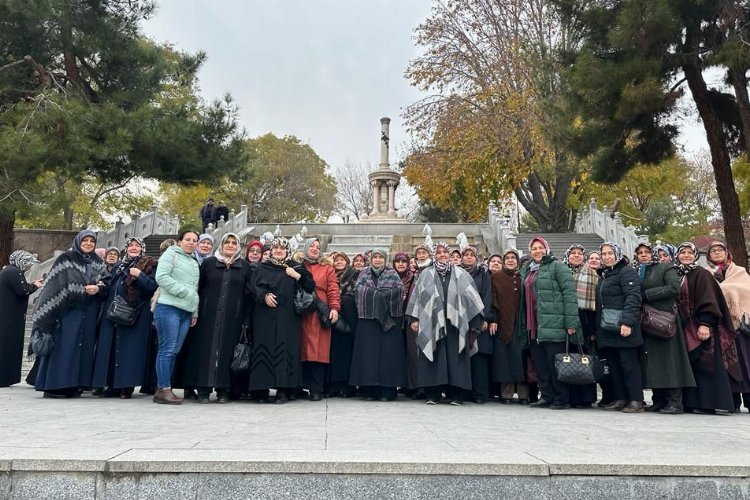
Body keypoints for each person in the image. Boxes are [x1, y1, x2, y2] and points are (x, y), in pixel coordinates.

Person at [406, 241, 485, 405]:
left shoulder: (461, 274)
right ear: (435, 255)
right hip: (431, 322)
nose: (442, 254)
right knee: (433, 356)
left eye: (445, 252)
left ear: (449, 254)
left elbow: (472, 298)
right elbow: (417, 298)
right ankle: (432, 393)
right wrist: (414, 319)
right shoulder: (425, 274)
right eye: (439, 252)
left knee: (456, 358)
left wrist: (476, 322)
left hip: (456, 325)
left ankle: (456, 394)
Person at [32, 229, 108, 398]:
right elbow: (54, 284)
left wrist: (98, 288)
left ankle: (75, 385)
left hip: (88, 312)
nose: (88, 244)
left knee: (83, 349)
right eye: (85, 240)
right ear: (78, 241)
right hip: (67, 312)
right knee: (64, 347)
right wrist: (79, 291)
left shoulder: (98, 262)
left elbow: (106, 283)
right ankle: (55, 386)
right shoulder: (65, 259)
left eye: (92, 241)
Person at [184, 233, 253, 403]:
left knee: (226, 352)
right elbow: (197, 289)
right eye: (227, 242)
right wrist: (195, 311)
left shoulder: (244, 266)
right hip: (208, 315)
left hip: (232, 317)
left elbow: (248, 295)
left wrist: (245, 320)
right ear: (222, 245)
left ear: (238, 246)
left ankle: (223, 389)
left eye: (233, 243)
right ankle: (203, 389)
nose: (230, 245)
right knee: (205, 351)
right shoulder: (209, 263)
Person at [675, 242, 740, 414]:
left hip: (701, 326)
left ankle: (708, 403)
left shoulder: (702, 274)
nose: (686, 255)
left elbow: (709, 300)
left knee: (707, 364)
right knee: (692, 366)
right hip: (684, 328)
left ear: (695, 255)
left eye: (690, 252)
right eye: (683, 252)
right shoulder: (676, 274)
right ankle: (691, 402)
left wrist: (705, 324)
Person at [517, 237, 580, 410]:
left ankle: (561, 397)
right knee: (540, 364)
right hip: (534, 324)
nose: (538, 251)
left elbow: (569, 295)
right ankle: (547, 395)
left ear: (547, 249)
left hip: (554, 322)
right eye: (534, 248)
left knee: (555, 364)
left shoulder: (558, 267)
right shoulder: (528, 270)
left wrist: (571, 322)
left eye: (540, 248)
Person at [249, 237, 314, 404]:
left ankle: (283, 390)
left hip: (288, 317)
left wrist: (296, 275)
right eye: (275, 247)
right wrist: (263, 295)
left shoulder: (294, 266)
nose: (279, 251)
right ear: (270, 250)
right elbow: (252, 287)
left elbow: (310, 286)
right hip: (264, 315)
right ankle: (261, 390)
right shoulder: (261, 267)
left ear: (287, 251)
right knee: (263, 348)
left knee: (285, 349)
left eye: (282, 248)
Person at [92, 237, 157, 398]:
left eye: (137, 246)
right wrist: (99, 288)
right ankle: (111, 384)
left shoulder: (149, 265)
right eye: (131, 245)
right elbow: (110, 285)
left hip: (136, 314)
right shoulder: (119, 266)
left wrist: (140, 275)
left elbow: (152, 287)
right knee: (111, 348)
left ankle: (126, 386)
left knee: (130, 351)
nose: (134, 248)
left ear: (142, 248)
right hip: (113, 312)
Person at [634, 243, 694, 414]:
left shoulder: (666, 268)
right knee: (653, 362)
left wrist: (647, 295)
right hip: (647, 321)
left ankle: (675, 401)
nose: (644, 255)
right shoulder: (639, 271)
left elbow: (674, 288)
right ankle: (658, 399)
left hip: (665, 320)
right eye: (640, 253)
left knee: (671, 361)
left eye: (647, 252)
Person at [350, 249, 406, 401]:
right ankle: (369, 389)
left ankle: (387, 390)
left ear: (385, 259)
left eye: (381, 257)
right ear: (371, 259)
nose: (378, 260)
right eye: (375, 257)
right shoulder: (364, 274)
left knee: (388, 356)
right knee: (368, 356)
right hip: (368, 321)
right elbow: (358, 291)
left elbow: (399, 291)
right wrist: (381, 295)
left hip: (389, 322)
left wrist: (374, 295)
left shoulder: (392, 273)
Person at [595, 242, 644, 413]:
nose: (607, 257)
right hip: (608, 328)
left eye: (610, 253)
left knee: (628, 363)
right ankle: (621, 397)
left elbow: (633, 297)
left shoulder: (626, 271)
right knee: (614, 364)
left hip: (623, 326)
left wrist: (627, 322)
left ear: (617, 254)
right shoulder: (605, 275)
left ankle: (636, 399)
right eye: (604, 254)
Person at [152, 230, 200, 405]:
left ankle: (162, 389)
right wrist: (183, 292)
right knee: (167, 348)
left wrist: (194, 310)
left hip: (186, 311)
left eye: (194, 240)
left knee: (174, 350)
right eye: (187, 239)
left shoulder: (194, 261)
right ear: (180, 241)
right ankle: (164, 389)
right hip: (168, 307)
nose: (191, 243)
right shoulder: (170, 254)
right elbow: (161, 277)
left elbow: (195, 288)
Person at [705, 240, 750, 413]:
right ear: (708, 255)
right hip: (720, 325)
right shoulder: (707, 273)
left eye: (719, 249)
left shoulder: (739, 271)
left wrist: (724, 289)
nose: (716, 253)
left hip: (740, 326)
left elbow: (746, 290)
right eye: (713, 251)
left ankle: (748, 397)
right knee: (725, 362)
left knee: (745, 362)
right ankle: (732, 400)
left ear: (726, 252)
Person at [300, 238, 341, 401]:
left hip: (320, 311)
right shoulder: (297, 266)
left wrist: (335, 308)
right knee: (300, 349)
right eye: (312, 246)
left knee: (318, 351)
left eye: (318, 247)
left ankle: (316, 388)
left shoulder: (327, 269)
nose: (315, 249)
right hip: (301, 310)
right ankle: (299, 386)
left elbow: (333, 289)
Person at [490, 250, 529, 404]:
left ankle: (523, 394)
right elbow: (492, 299)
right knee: (504, 359)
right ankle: (505, 393)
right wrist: (493, 319)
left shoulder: (523, 277)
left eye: (513, 258)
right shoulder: (496, 277)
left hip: (521, 324)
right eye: (508, 258)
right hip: (503, 322)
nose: (511, 260)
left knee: (521, 359)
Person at [562, 244, 598, 408]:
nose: (576, 256)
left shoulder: (591, 273)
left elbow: (594, 303)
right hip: (565, 318)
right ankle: (569, 396)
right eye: (573, 253)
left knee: (583, 357)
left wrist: (592, 329)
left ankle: (585, 398)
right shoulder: (562, 271)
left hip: (585, 319)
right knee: (568, 357)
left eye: (579, 254)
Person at [0, 251, 41, 387]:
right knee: (8, 347)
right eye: (27, 262)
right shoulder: (14, 272)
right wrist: (35, 285)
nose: (29, 266)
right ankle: (5, 378)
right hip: (10, 318)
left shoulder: (9, 271)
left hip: (8, 316)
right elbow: (22, 290)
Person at [462, 246, 495, 404]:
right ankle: (466, 391)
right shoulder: (458, 273)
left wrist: (486, 318)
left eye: (471, 255)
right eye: (466, 255)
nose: (468, 258)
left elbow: (488, 295)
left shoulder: (483, 273)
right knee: (464, 357)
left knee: (479, 357)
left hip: (479, 318)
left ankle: (480, 393)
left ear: (476, 258)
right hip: (461, 319)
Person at [326, 252, 358, 398]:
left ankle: (347, 385)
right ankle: (333, 385)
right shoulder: (330, 274)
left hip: (349, 317)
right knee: (332, 352)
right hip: (332, 316)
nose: (339, 262)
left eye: (341, 260)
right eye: (336, 260)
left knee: (347, 352)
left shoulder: (354, 274)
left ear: (346, 262)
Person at [393, 251, 421, 398]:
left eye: (404, 261)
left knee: (412, 353)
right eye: (398, 261)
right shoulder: (390, 277)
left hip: (409, 318)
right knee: (398, 353)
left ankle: (414, 386)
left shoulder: (414, 278)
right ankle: (402, 384)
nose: (401, 264)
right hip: (394, 320)